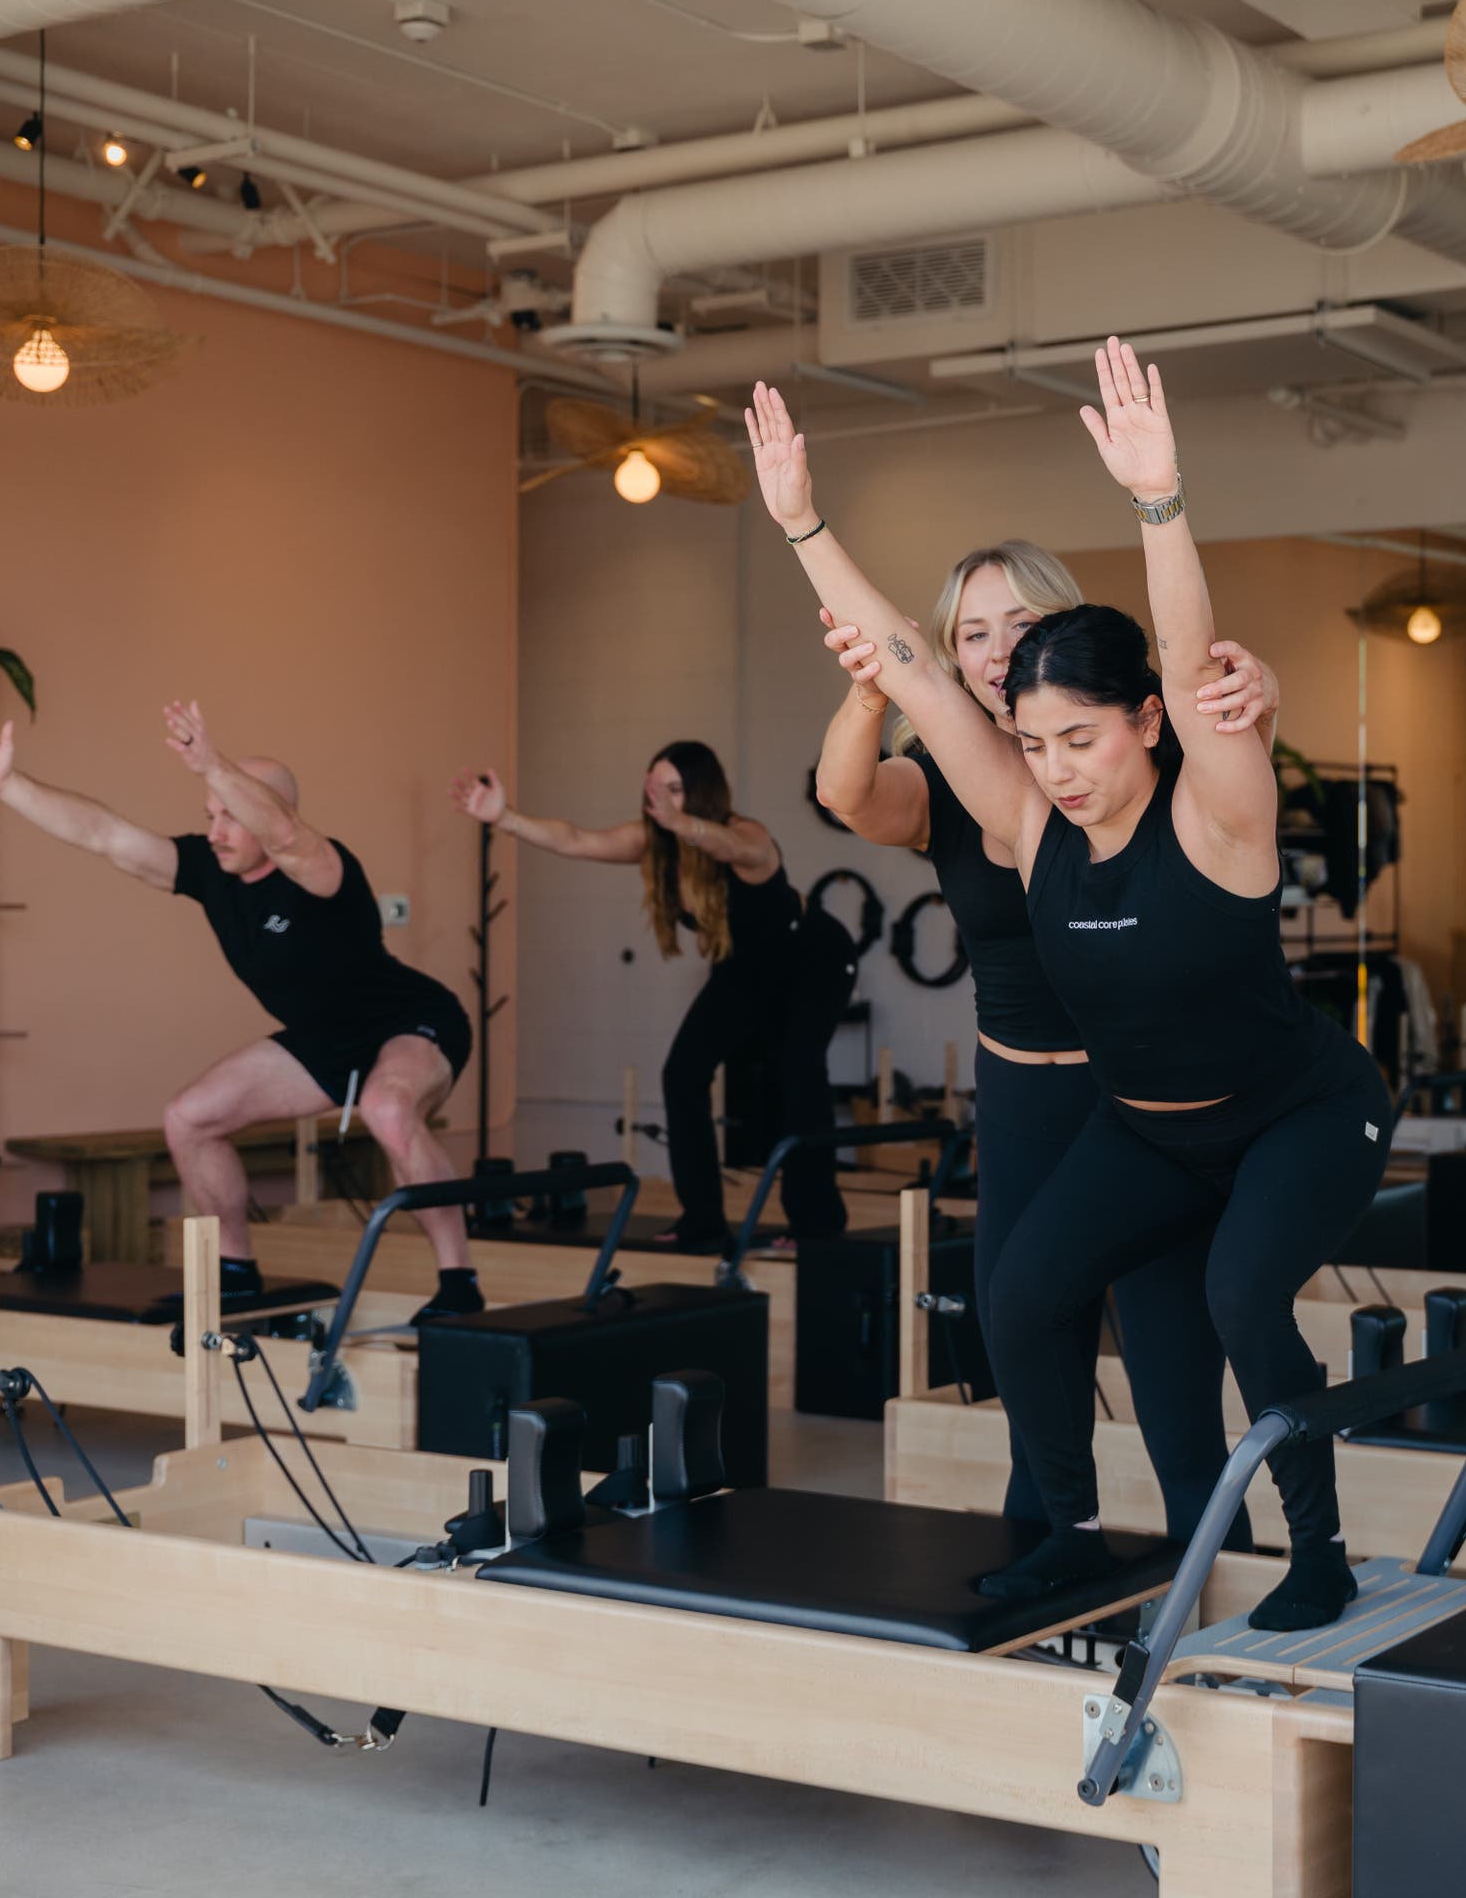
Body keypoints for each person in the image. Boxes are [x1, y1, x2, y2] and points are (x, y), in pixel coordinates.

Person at [751, 346, 1395, 1629]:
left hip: (1298, 1114)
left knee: (1236, 1300)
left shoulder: (1220, 815)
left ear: (1150, 722)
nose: (1055, 769)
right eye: (1036, 745)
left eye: (1083, 739)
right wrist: (802, 526)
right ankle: (1076, 1530)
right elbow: (916, 672)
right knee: (1021, 1292)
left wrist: (1159, 502)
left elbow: (1184, 646)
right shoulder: (1031, 822)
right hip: (1150, 1127)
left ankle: (1317, 1551)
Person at [809, 536, 1282, 1548]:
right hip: (1025, 1102)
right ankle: (1048, 1597)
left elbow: (1209, 725)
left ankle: (1221, 1624)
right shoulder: (944, 774)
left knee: (1175, 1398)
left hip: (1148, 1106)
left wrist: (1260, 697)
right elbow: (847, 795)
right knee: (1031, 1375)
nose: (993, 649)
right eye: (971, 632)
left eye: (1019, 624)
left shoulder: (1129, 754)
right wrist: (863, 685)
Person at [0, 710, 478, 1321]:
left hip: (409, 1021)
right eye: (209, 815)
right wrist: (9, 786)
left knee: (386, 1106)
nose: (216, 831)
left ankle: (458, 1280)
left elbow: (291, 838)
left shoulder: (323, 870)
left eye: (231, 815)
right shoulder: (208, 870)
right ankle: (236, 1270)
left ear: (268, 815)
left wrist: (213, 765)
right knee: (189, 1118)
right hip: (323, 1041)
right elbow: (102, 834)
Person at [453, 745, 857, 1251]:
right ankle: (702, 1219)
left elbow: (735, 848)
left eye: (675, 789)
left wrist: (682, 823)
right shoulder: (655, 842)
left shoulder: (744, 832)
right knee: (682, 1073)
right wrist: (505, 818)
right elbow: (576, 839)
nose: (661, 801)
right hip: (744, 968)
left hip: (812, 957)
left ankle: (817, 1224)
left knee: (797, 1070)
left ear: (701, 792)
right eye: (654, 788)